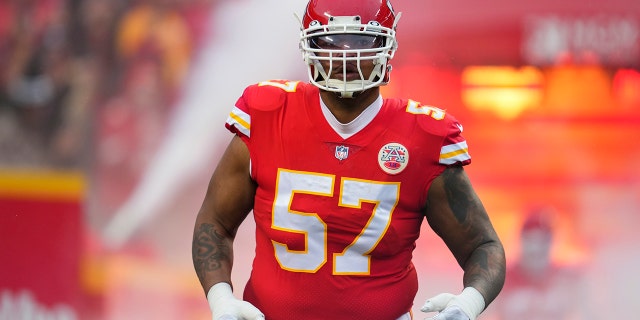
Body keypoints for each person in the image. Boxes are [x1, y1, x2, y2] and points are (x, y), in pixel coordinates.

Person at [192, 1, 506, 319]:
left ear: (388, 45)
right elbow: (214, 223)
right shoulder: (267, 114)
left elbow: (483, 245)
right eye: (330, 41)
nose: (345, 54)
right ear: (309, 45)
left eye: (361, 41)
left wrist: (467, 304)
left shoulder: (424, 136)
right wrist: (221, 298)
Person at [491, 207, 591, 320]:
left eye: (542, 242)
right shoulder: (501, 280)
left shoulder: (567, 279)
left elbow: (591, 313)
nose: (536, 248)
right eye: (531, 241)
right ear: (522, 241)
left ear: (551, 242)